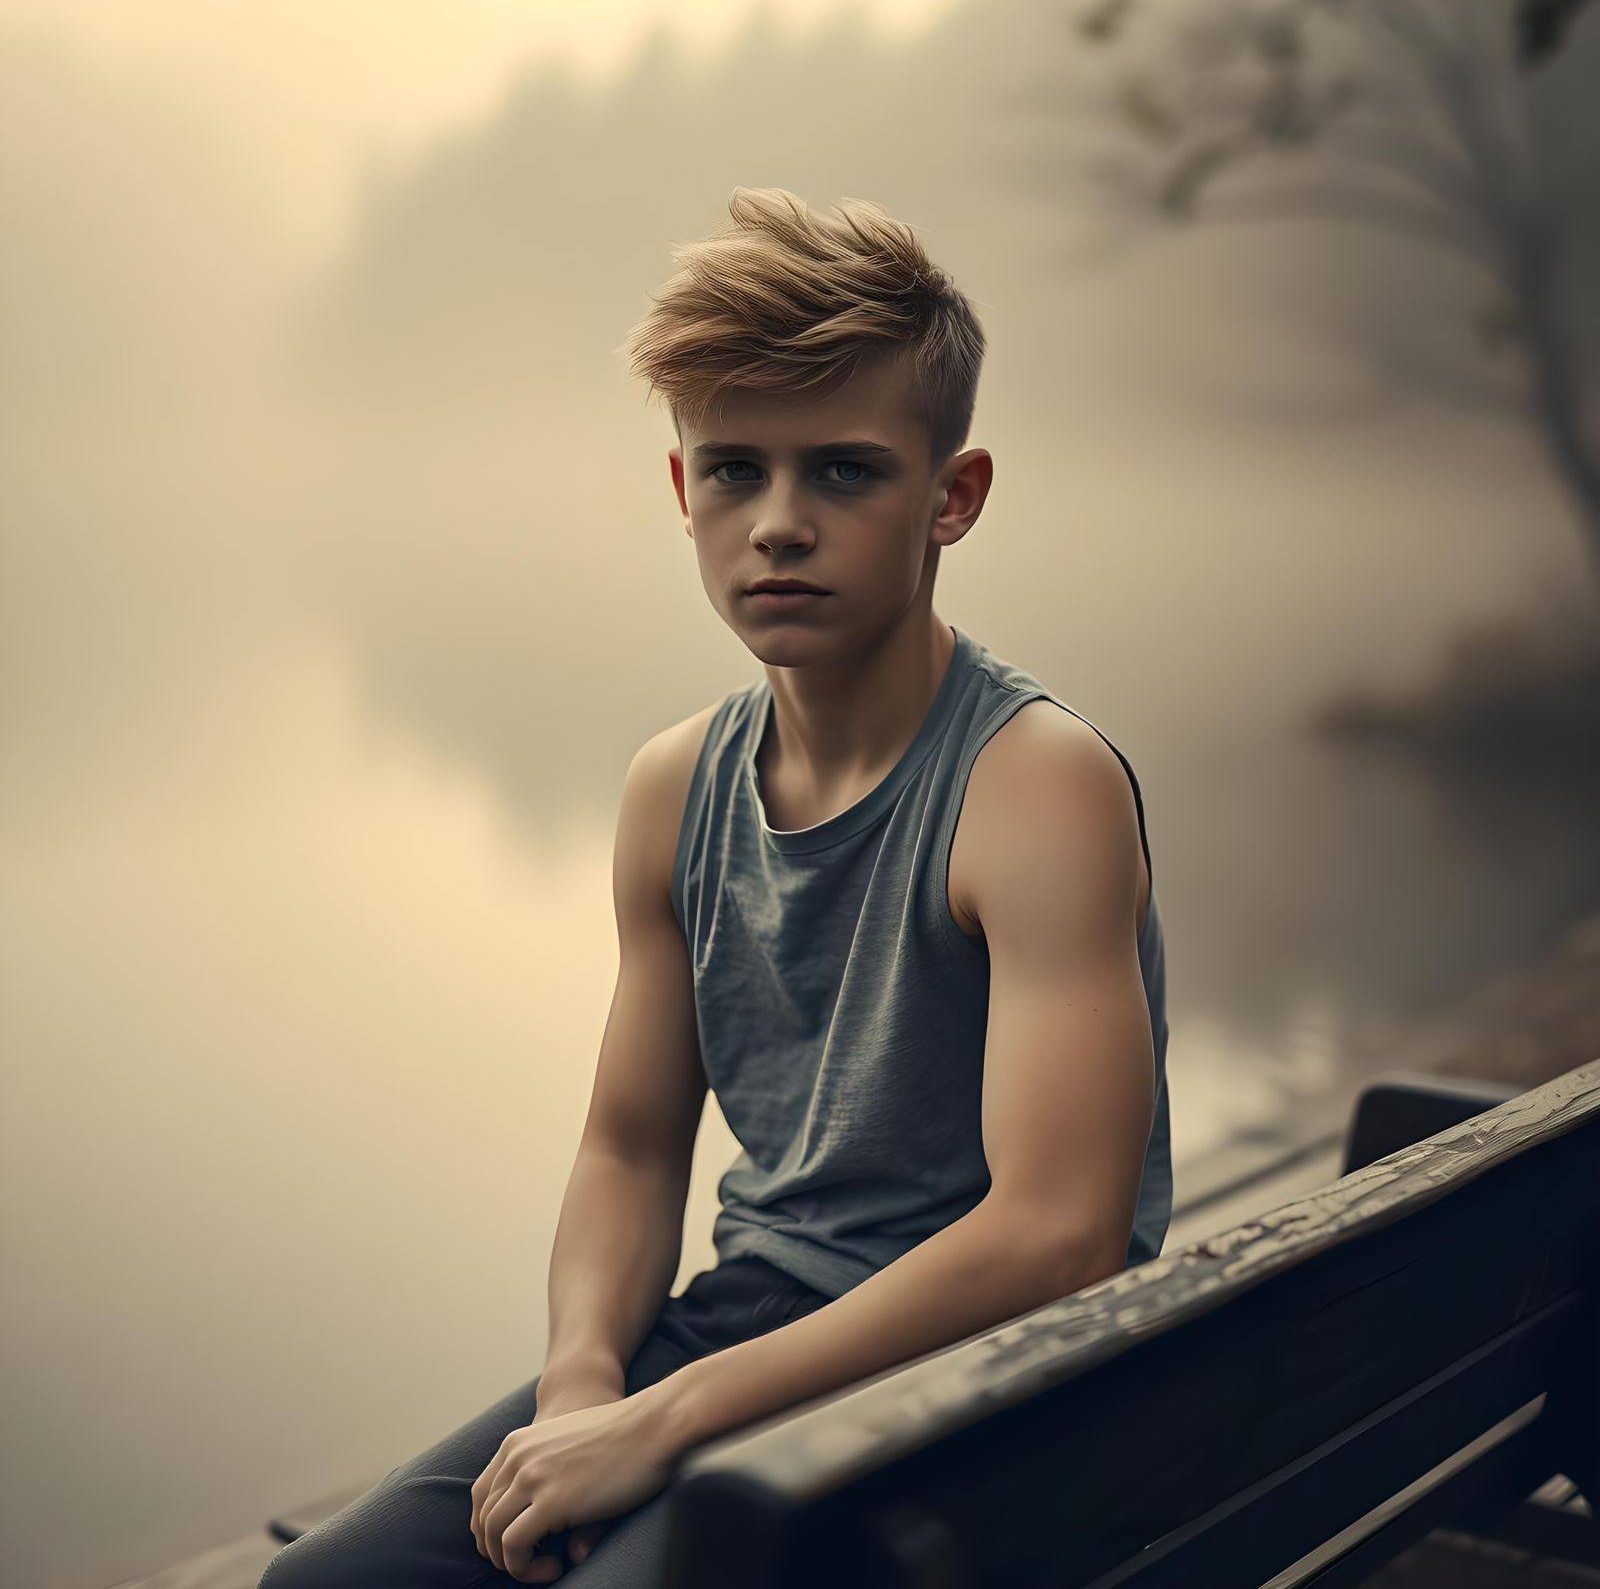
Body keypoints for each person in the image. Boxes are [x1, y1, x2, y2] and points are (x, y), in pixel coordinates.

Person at [258, 186, 1172, 1589]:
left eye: (846, 472)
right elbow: (630, 1147)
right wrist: (580, 1387)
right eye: (736, 469)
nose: (779, 523)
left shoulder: (1032, 784)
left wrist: (665, 1421)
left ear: (954, 496)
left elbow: (1059, 1237)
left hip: (985, 1387)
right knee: (326, 1585)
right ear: (684, 492)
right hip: (743, 1333)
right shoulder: (676, 789)